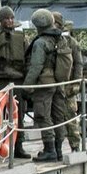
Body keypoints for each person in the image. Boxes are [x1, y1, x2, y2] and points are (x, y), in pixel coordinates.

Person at [21, 9, 72, 163]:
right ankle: (58, 149)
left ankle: (49, 150)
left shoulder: (40, 42)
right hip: (59, 82)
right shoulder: (60, 39)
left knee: (43, 116)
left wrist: (26, 87)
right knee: (58, 116)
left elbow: (36, 66)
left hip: (44, 84)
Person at [53, 12, 84, 150]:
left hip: (68, 85)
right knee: (55, 118)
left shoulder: (71, 42)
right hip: (54, 85)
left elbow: (78, 63)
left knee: (71, 116)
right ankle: (56, 146)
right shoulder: (48, 39)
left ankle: (75, 145)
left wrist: (76, 83)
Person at [0, 5, 29, 92]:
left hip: (18, 78)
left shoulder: (21, 37)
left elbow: (28, 58)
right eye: (7, 18)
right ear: (1, 20)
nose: (10, 21)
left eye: (12, 18)